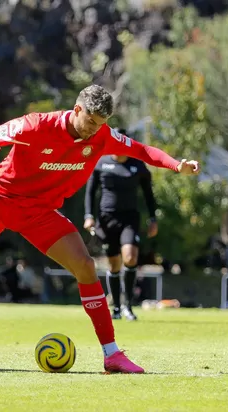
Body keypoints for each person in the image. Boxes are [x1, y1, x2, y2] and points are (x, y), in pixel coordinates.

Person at [0, 84, 200, 373]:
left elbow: (143, 151)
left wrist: (177, 166)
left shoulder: (102, 136)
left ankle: (112, 354)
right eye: (91, 121)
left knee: (85, 266)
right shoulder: (33, 126)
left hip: (39, 212)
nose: (94, 130)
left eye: (101, 124)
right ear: (77, 109)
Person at [83, 129, 158, 321]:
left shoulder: (137, 166)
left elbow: (149, 195)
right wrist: (89, 216)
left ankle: (128, 306)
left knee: (130, 257)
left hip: (129, 219)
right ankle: (116, 308)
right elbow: (90, 191)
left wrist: (152, 218)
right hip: (107, 220)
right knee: (114, 263)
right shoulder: (101, 163)